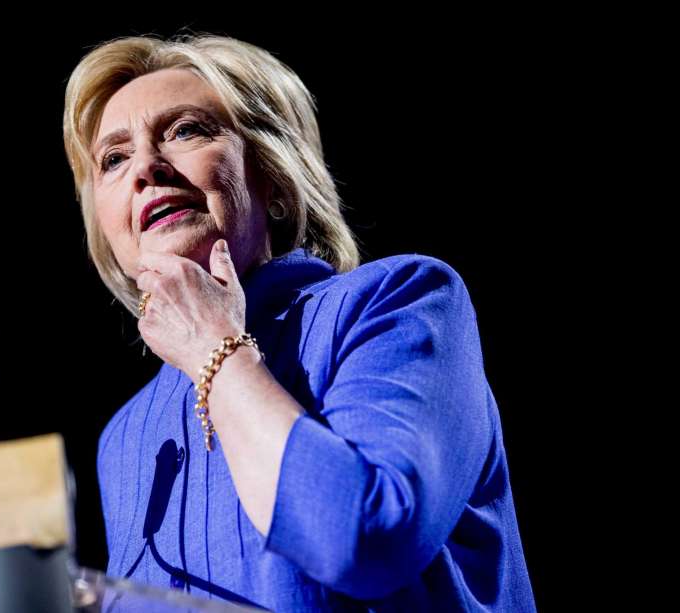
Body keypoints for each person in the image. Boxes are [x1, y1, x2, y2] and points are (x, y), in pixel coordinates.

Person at [62, 32, 536, 611]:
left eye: (185, 130)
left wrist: (218, 348)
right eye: (113, 159)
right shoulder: (125, 437)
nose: (146, 168)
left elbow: (364, 538)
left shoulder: (399, 302)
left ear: (273, 176)